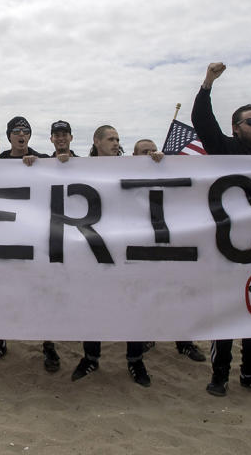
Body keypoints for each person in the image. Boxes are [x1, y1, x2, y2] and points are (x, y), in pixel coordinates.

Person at [192, 62, 251, 399]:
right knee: (227, 312)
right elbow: (202, 122)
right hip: (228, 249)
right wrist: (208, 84)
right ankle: (219, 374)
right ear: (236, 128)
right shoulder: (224, 150)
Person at [71, 126, 152, 386]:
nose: (116, 143)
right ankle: (91, 357)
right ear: (96, 142)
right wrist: (61, 164)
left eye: (118, 139)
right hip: (92, 247)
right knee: (92, 304)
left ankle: (135, 360)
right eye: (111, 139)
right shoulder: (79, 168)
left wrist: (158, 164)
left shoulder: (131, 166)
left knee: (131, 303)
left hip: (126, 246)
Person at [0, 116, 60, 372]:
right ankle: (0, 341)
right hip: (5, 235)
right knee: (3, 293)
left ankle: (48, 344)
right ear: (9, 136)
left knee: (41, 293)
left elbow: (70, 170)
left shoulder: (42, 158)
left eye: (26, 130)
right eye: (16, 130)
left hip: (36, 237)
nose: (21, 133)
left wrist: (56, 163)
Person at [131, 139, 206, 363]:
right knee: (144, 294)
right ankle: (147, 336)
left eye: (153, 150)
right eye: (144, 151)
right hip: (140, 245)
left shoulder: (168, 170)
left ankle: (184, 342)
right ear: (134, 156)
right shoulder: (123, 174)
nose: (150, 154)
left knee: (176, 295)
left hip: (168, 242)